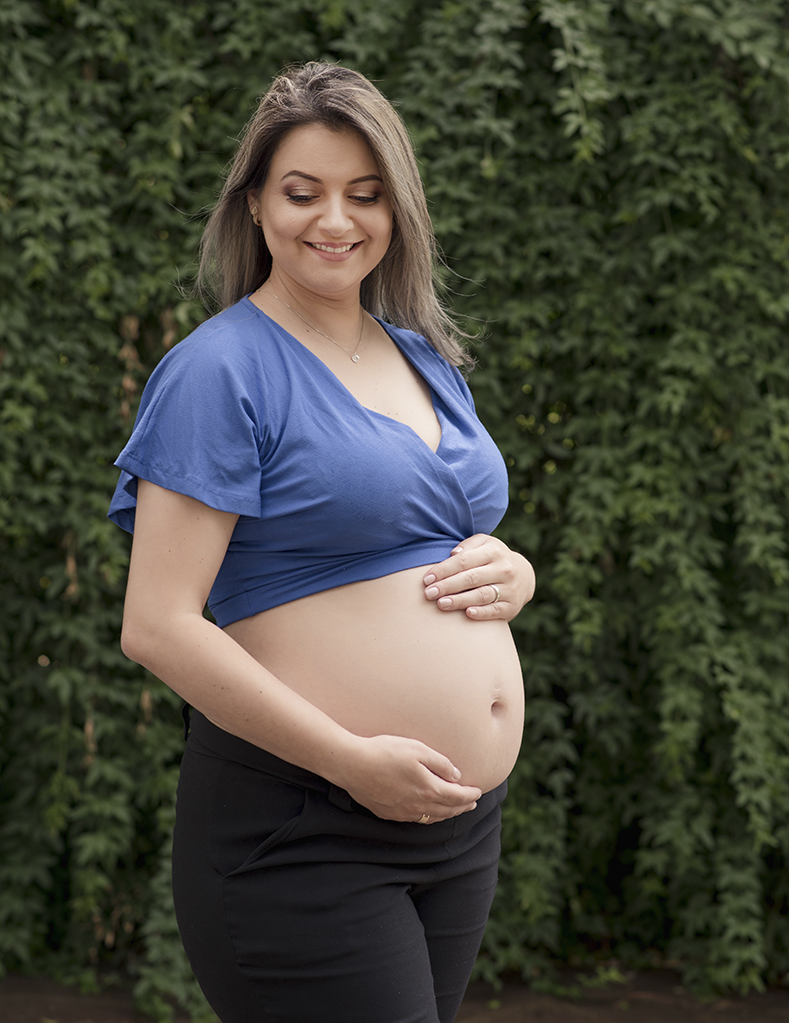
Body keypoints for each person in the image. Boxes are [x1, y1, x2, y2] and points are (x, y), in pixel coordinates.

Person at [109, 62, 535, 1023]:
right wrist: (348, 761)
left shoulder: (420, 355)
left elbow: (435, 531)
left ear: (398, 211)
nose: (335, 220)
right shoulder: (218, 372)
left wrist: (514, 572)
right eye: (302, 193)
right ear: (255, 205)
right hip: (305, 824)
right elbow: (158, 626)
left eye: (364, 194)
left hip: (458, 828)